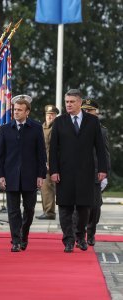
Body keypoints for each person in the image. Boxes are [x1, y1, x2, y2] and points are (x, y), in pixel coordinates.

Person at [49, 89, 107, 253]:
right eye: (66, 101)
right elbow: (53, 149)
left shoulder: (92, 121)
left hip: (86, 171)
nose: (68, 104)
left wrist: (102, 169)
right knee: (65, 208)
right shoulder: (59, 122)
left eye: (72, 101)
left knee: (84, 208)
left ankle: (80, 237)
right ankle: (68, 240)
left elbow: (100, 148)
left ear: (80, 102)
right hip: (64, 171)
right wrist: (54, 170)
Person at [0, 95, 47, 252]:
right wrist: (1, 175)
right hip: (10, 176)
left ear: (27, 112)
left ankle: (24, 235)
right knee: (13, 211)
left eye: (19, 110)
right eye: (14, 109)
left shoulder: (36, 128)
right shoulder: (5, 129)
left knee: (29, 209)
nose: (16, 112)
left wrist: (41, 175)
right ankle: (16, 241)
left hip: (30, 176)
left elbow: (41, 154)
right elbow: (1, 155)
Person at [79, 99, 111, 246]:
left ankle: (91, 233)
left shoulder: (102, 130)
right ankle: (78, 234)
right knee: (76, 207)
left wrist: (105, 173)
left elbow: (105, 153)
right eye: (84, 110)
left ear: (96, 112)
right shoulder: (76, 127)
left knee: (95, 207)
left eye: (90, 110)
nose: (86, 113)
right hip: (78, 172)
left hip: (95, 173)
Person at [36, 105, 59, 220]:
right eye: (48, 114)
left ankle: (49, 212)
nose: (50, 116)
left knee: (48, 188)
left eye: (53, 114)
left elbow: (54, 148)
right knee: (45, 189)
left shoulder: (57, 128)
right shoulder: (41, 127)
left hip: (52, 163)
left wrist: (50, 163)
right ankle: (47, 211)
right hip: (43, 162)